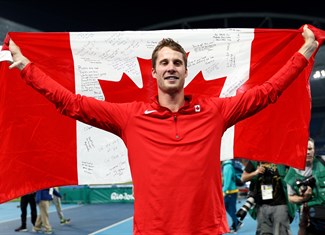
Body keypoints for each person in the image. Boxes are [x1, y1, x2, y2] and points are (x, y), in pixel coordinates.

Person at [6, 25, 318, 235]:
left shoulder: (215, 111)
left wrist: (304, 53)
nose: (171, 67)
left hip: (207, 230)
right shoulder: (129, 116)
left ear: (186, 68)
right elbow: (70, 103)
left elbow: (267, 92)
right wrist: (25, 67)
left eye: (177, 62)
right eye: (164, 62)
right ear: (154, 71)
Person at [240, 160, 296, 235]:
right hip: (261, 206)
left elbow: (293, 176)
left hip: (280, 205)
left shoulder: (282, 158)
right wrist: (256, 172)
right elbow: (243, 178)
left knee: (282, 232)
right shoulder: (254, 161)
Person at [284, 137, 325, 234]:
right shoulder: (292, 172)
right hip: (311, 215)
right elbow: (291, 198)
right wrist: (304, 198)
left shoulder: (323, 161)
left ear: (314, 150)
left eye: (310, 149)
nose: (308, 152)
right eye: (304, 149)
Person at [222, 160, 242, 233]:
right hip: (231, 191)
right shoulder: (229, 165)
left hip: (229, 192)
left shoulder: (227, 167)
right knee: (230, 209)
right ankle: (236, 223)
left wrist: (224, 191)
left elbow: (227, 181)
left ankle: (236, 223)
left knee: (230, 209)